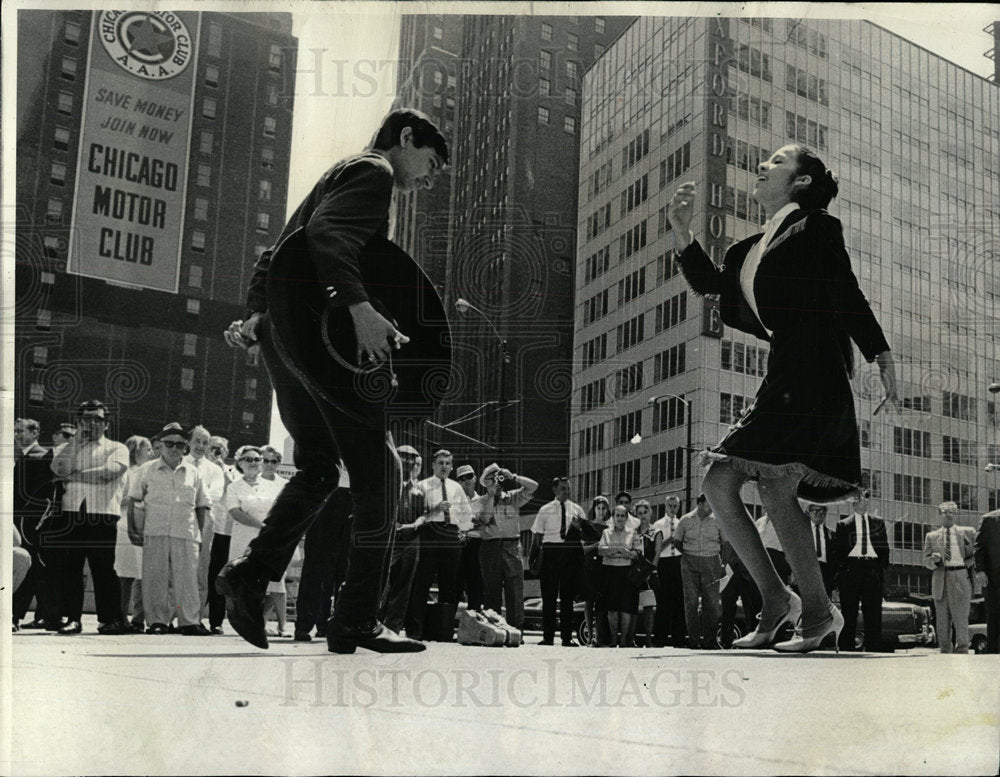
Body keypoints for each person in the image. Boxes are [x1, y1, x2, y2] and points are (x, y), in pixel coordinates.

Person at [218, 108, 447, 653]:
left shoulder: (339, 171)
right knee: (383, 474)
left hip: (287, 336)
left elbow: (276, 253)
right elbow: (325, 236)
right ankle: (355, 620)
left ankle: (249, 575)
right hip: (322, 344)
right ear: (407, 139)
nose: (430, 178)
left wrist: (256, 315)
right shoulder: (376, 172)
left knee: (319, 465)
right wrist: (362, 308)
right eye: (431, 163)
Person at [668, 144, 897, 653]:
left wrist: (882, 357)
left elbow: (846, 291)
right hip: (784, 373)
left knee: (745, 483)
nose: (763, 166)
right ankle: (786, 603)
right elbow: (712, 285)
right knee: (729, 485)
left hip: (815, 372)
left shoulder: (817, 227)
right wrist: (683, 233)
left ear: (801, 182)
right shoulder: (746, 249)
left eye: (776, 161)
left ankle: (805, 610)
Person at [48, 400, 129, 635]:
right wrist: (74, 442)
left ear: (107, 424)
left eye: (98, 419)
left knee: (103, 567)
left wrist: (74, 475)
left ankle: (110, 619)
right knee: (71, 567)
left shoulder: (117, 447)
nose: (92, 423)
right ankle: (72, 618)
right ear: (78, 422)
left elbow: (109, 472)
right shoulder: (69, 448)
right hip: (72, 512)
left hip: (102, 514)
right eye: (86, 419)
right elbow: (58, 470)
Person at [127, 423, 211, 636]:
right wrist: (133, 529)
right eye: (169, 444)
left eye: (180, 445)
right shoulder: (147, 470)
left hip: (187, 533)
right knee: (155, 579)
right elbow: (134, 500)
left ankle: (189, 622)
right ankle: (158, 622)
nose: (174, 448)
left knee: (188, 581)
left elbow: (202, 507)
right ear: (160, 446)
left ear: (185, 447)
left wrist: (199, 535)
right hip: (155, 531)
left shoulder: (194, 473)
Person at [408, 449, 473, 642]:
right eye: (441, 463)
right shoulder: (422, 485)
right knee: (422, 581)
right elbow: (415, 513)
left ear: (451, 467)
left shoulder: (456, 487)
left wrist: (462, 530)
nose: (444, 466)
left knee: (450, 583)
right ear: (433, 465)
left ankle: (443, 631)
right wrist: (434, 509)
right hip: (429, 532)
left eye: (447, 463)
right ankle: (415, 630)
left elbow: (466, 513)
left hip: (450, 534)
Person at [225, 446, 289, 637]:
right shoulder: (234, 486)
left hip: (268, 540)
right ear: (239, 463)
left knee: (274, 584)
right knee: (246, 584)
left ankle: (280, 626)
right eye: (248, 459)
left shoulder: (272, 485)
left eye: (256, 459)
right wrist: (261, 526)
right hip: (243, 539)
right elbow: (235, 512)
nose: (253, 463)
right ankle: (248, 624)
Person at [476, 463, 537, 632]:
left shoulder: (512, 497)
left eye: (498, 476)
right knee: (491, 589)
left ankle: (516, 629)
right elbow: (484, 522)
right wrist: (491, 495)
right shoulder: (480, 501)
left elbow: (534, 486)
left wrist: (514, 477)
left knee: (515, 589)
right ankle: (494, 629)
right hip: (491, 546)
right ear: (485, 482)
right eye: (492, 478)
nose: (497, 480)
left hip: (512, 544)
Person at [295, 461, 351, 642]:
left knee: (346, 568)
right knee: (315, 568)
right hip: (325, 495)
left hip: (353, 499)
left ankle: (337, 624)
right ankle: (304, 624)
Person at [12, 418, 56, 631]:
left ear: (35, 433)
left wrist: (36, 524)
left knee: (36, 570)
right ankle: (43, 615)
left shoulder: (42, 456)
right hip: (18, 524)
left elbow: (46, 495)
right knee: (32, 570)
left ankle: (48, 615)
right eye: (15, 431)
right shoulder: (21, 457)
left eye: (21, 431)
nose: (17, 435)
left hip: (31, 526)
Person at [529, 476, 583, 646]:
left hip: (568, 554)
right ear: (554, 490)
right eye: (562, 488)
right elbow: (537, 537)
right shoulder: (545, 510)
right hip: (550, 552)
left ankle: (567, 637)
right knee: (549, 597)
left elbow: (585, 534)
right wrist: (533, 558)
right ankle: (548, 636)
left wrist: (578, 527)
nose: (566, 492)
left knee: (567, 598)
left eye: (568, 488)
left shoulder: (577, 510)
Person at [834, 493, 890, 652]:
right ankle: (846, 650)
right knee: (848, 613)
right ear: (852, 501)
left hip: (872, 569)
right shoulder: (843, 524)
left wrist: (880, 569)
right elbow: (838, 552)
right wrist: (845, 570)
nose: (861, 500)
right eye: (857, 498)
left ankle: (874, 650)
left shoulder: (878, 523)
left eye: (864, 497)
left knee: (873, 613)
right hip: (851, 569)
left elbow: (884, 549)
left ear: (868, 501)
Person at [379, 446, 424, 635]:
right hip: (389, 538)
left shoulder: (419, 490)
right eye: (403, 458)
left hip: (410, 539)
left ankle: (393, 628)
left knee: (404, 586)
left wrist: (413, 525)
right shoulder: (387, 483)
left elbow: (424, 515)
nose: (407, 462)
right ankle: (373, 622)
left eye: (411, 459)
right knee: (382, 582)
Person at [923, 502, 977, 654]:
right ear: (939, 515)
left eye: (952, 512)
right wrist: (932, 560)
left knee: (961, 619)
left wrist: (970, 561)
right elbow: (925, 561)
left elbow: (978, 552)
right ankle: (945, 652)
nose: (949, 514)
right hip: (941, 576)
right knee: (942, 621)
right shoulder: (931, 536)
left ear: (956, 514)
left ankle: (962, 651)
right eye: (945, 512)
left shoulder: (968, 532)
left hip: (960, 575)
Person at [673, 494, 724, 649]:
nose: (712, 507)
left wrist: (723, 564)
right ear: (700, 504)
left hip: (712, 562)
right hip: (690, 562)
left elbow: (725, 543)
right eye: (709, 503)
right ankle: (694, 641)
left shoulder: (718, 520)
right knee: (691, 602)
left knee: (712, 603)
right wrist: (690, 553)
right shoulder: (685, 520)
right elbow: (677, 541)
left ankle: (710, 641)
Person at [186, 426, 226, 618]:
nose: (200, 446)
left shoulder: (214, 470)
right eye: (197, 441)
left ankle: (195, 618)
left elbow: (214, 495)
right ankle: (169, 618)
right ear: (189, 442)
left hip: (204, 521)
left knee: (201, 573)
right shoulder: (180, 462)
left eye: (204, 443)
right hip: (180, 519)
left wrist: (187, 497)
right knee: (176, 571)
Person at [115, 435, 153, 632]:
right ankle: (121, 616)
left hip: (141, 526)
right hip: (124, 527)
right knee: (125, 575)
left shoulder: (146, 471)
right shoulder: (129, 473)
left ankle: (135, 618)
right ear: (137, 450)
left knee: (138, 575)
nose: (151, 453)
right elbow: (121, 500)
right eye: (148, 449)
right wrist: (134, 499)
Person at [598, 505, 641, 647]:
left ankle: (623, 641)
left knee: (625, 608)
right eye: (618, 515)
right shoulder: (606, 532)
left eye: (623, 516)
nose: (620, 518)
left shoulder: (632, 532)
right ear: (613, 517)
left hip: (626, 571)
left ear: (626, 517)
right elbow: (601, 549)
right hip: (609, 571)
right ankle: (613, 640)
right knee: (612, 607)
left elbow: (637, 552)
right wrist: (618, 550)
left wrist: (627, 553)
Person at [205, 435, 234, 634]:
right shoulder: (199, 467)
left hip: (222, 531)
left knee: (217, 577)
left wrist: (221, 466)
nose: (216, 451)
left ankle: (216, 621)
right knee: (197, 576)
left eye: (220, 449)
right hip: (202, 528)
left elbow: (231, 488)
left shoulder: (230, 471)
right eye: (213, 447)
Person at [651, 495, 686, 648]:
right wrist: (671, 538)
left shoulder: (682, 523)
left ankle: (679, 639)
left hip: (678, 562)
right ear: (665, 506)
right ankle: (660, 639)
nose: (673, 509)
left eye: (675, 506)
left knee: (679, 602)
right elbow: (656, 549)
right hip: (664, 563)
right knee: (663, 602)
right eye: (670, 505)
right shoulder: (658, 525)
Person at [582, 495, 612, 646]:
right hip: (589, 566)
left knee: (602, 602)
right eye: (598, 508)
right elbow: (581, 548)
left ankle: (601, 635)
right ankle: (588, 635)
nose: (601, 511)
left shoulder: (609, 528)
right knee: (589, 602)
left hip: (604, 566)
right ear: (594, 509)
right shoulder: (587, 526)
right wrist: (595, 546)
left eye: (603, 508)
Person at [629, 500, 659, 647]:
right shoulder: (633, 532)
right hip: (636, 573)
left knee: (648, 607)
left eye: (645, 512)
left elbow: (657, 554)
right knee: (633, 605)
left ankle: (648, 639)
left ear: (650, 512)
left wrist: (649, 571)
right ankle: (631, 638)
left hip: (650, 573)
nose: (642, 516)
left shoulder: (656, 532)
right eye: (639, 513)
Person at [455, 464, 484, 613]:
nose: (466, 480)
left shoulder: (483, 501)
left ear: (475, 478)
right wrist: (474, 521)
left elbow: (486, 524)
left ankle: (475, 622)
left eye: (469, 476)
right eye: (462, 478)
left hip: (477, 545)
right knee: (455, 585)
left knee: (476, 584)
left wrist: (467, 521)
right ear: (458, 482)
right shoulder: (455, 501)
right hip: (458, 544)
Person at [974, 509, 1000, 653]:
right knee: (994, 616)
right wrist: (980, 570)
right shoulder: (989, 519)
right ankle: (993, 655)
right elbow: (978, 546)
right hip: (994, 577)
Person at [807, 504, 836, 597]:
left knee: (825, 607)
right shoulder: (802, 532)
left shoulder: (832, 534)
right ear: (809, 513)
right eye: (814, 511)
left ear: (825, 514)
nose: (818, 514)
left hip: (825, 574)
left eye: (821, 511)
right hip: (806, 571)